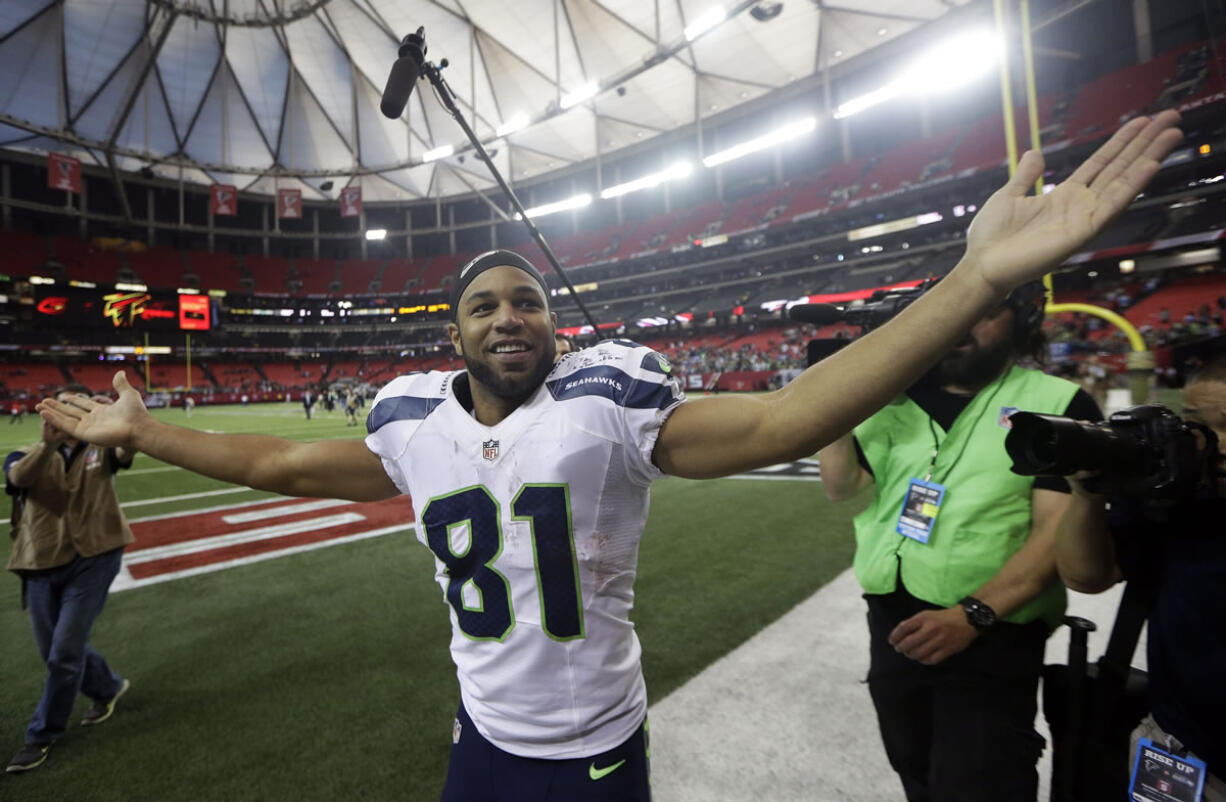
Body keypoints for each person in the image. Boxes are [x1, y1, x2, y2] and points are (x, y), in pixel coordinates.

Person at [36, 113, 1183, 800]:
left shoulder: (602, 407)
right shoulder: (408, 423)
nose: (507, 316)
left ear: (553, 324)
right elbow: (290, 470)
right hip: (476, 736)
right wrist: (144, 430)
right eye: (483, 305)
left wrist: (973, 277)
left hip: (589, 750)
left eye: (526, 300)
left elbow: (785, 420)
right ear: (454, 334)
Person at [816, 282, 1102, 802]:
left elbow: (1054, 533)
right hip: (892, 619)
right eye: (949, 311)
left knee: (981, 781)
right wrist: (834, 406)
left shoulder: (1058, 403)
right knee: (913, 761)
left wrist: (975, 613)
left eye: (983, 311)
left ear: (1020, 318)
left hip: (991, 629)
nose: (962, 325)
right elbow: (841, 489)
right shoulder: (888, 398)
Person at [1053, 355, 1226, 801]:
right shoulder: (1173, 499)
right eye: (1196, 423)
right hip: (1180, 746)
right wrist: (1086, 493)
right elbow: (1086, 576)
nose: (1214, 444)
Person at [5, 386, 135, 774]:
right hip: (42, 562)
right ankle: (107, 686)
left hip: (96, 557)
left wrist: (126, 428)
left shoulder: (102, 450)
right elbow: (17, 479)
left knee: (63, 652)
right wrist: (46, 447)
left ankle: (41, 735)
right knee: (56, 653)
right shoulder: (27, 454)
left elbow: (125, 453)